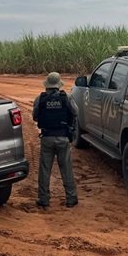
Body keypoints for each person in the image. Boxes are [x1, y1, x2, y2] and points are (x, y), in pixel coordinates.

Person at [32, 72, 78, 208]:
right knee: (66, 168)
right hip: (63, 137)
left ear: (47, 85)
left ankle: (43, 199)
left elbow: (35, 116)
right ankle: (71, 198)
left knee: (45, 169)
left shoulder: (40, 98)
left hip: (47, 137)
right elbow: (75, 112)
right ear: (58, 85)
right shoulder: (66, 97)